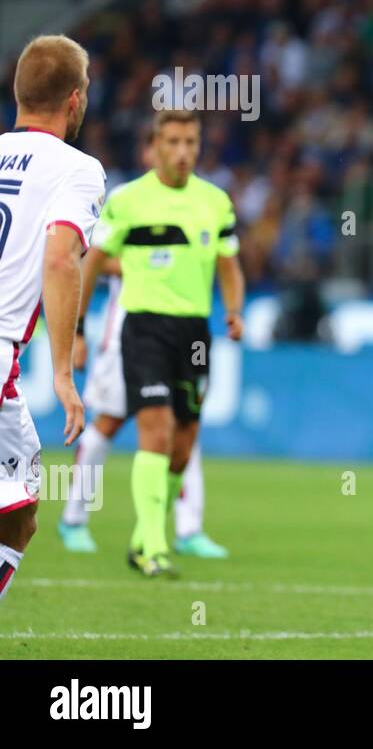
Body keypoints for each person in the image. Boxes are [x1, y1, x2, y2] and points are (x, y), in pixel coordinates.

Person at [78, 108, 243, 577]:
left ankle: (141, 537)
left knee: (184, 444)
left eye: (190, 142)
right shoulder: (127, 200)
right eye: (172, 142)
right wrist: (75, 332)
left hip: (194, 333)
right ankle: (153, 545)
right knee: (156, 429)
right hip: (145, 327)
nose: (183, 152)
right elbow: (92, 263)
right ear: (154, 147)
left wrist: (233, 310)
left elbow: (229, 263)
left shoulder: (215, 201)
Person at [0, 35, 107, 604]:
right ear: (74, 100)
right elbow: (62, 258)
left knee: (19, 510)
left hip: (5, 369)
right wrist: (63, 373)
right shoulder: (79, 170)